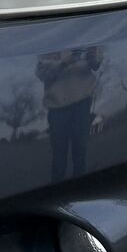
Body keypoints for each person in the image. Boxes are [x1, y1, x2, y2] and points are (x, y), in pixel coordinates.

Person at [35, 46, 101, 182]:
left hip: (82, 104)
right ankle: (56, 191)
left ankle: (81, 189)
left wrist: (93, 56)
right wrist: (64, 62)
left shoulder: (86, 36)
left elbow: (96, 64)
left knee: (80, 151)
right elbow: (42, 74)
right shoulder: (50, 44)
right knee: (59, 155)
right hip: (57, 109)